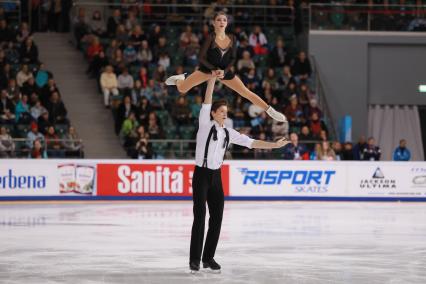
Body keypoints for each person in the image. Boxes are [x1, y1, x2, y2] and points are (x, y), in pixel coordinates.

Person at [189, 77, 289, 273]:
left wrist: (274, 145)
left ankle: (208, 258)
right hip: (201, 175)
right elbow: (207, 99)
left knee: (217, 218)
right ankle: (194, 260)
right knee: (200, 217)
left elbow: (251, 142)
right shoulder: (204, 125)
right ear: (213, 114)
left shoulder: (228, 133)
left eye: (226, 112)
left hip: (216, 177)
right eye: (222, 112)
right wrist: (210, 79)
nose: (225, 115)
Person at [165, 11, 286, 123]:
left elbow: (233, 58)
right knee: (182, 89)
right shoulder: (210, 38)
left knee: (246, 92)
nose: (222, 22)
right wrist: (213, 70)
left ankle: (270, 111)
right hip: (208, 70)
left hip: (224, 71)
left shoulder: (232, 38)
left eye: (224, 20)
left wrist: (225, 71)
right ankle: (179, 79)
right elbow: (201, 57)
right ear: (213, 23)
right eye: (219, 20)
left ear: (227, 23)